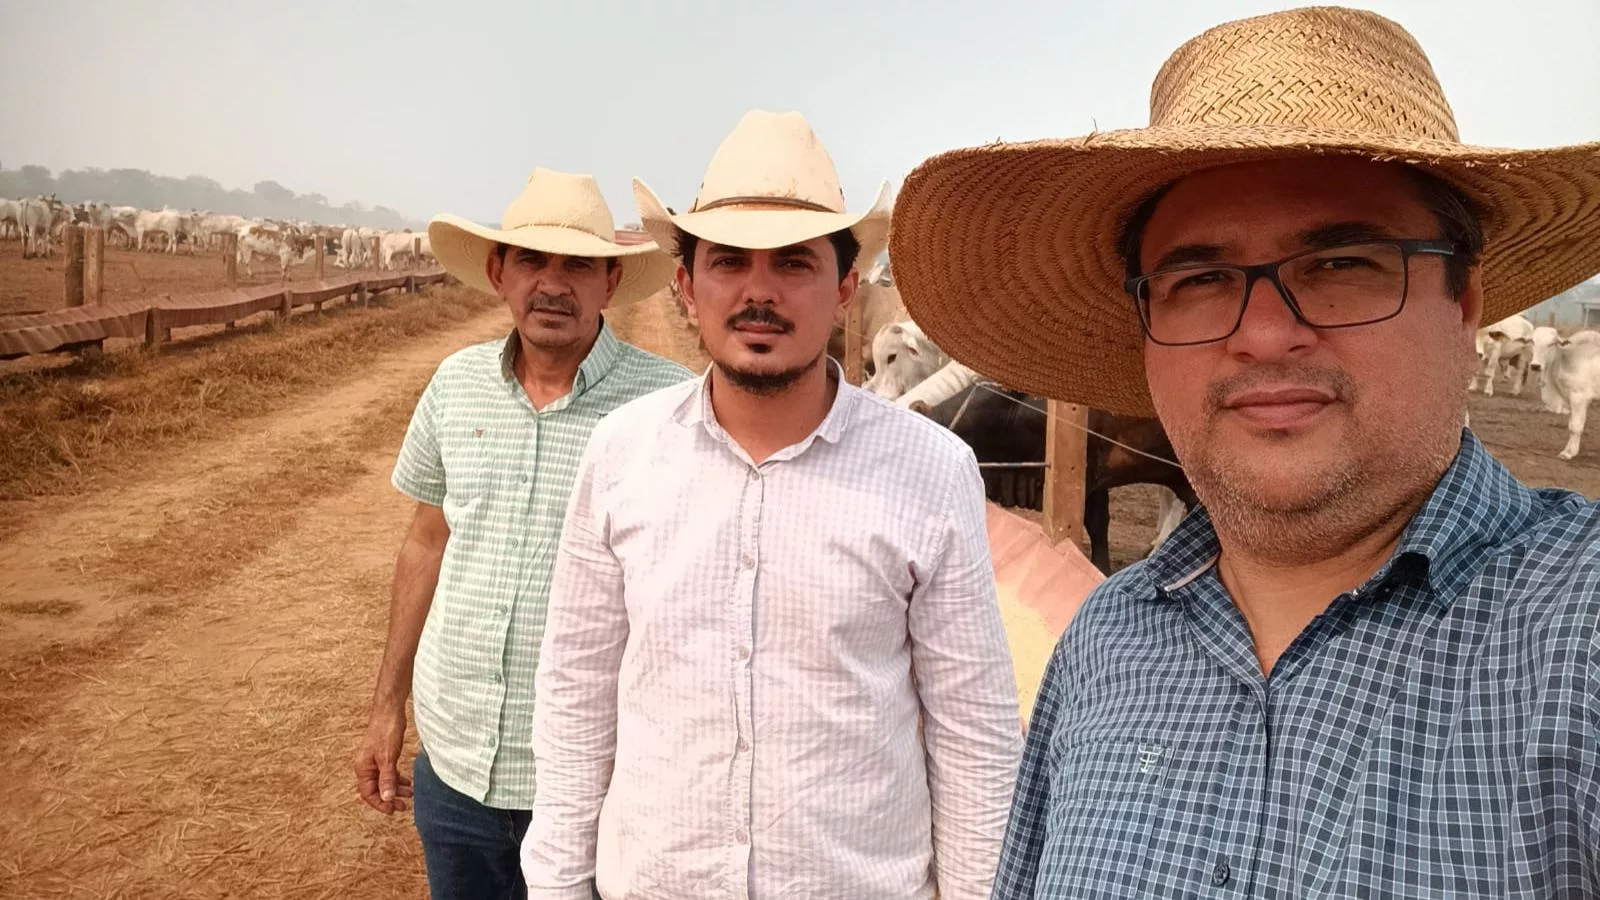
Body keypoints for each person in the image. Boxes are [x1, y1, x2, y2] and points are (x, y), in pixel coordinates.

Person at [889, 6, 1600, 897]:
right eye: (1199, 280)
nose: (1265, 334)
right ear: (1147, 332)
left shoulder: (1579, 637)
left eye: (1342, 264)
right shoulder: (1103, 645)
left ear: (1465, 304)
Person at [519, 110, 1023, 900]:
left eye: (793, 263)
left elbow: (975, 734)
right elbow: (577, 692)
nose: (759, 291)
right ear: (687, 287)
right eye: (728, 262)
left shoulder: (931, 470)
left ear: (846, 290)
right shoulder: (622, 455)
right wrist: (557, 887)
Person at [352, 167, 692, 900]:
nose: (553, 284)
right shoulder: (456, 383)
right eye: (534, 261)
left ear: (609, 282)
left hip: (597, 781)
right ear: (499, 273)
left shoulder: (667, 406)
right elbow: (426, 540)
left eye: (577, 265)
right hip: (457, 765)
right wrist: (387, 709)